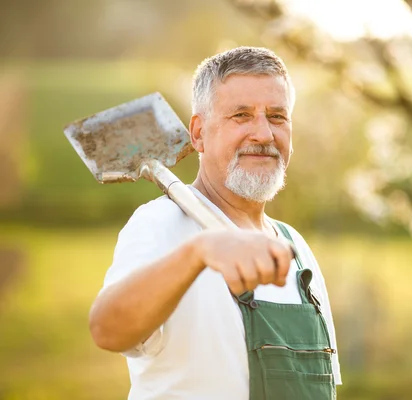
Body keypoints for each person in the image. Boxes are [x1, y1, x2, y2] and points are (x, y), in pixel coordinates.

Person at [89, 46, 342, 399]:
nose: (264, 134)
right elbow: (107, 329)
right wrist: (199, 252)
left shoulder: (296, 251)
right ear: (198, 133)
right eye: (241, 115)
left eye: (277, 116)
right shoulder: (161, 224)